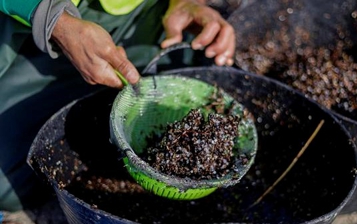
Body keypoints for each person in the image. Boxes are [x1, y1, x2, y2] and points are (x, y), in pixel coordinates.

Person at [0, 0, 235, 213]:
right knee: (7, 185)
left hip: (141, 11)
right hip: (38, 15)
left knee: (175, 83)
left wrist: (186, 3)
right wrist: (56, 21)